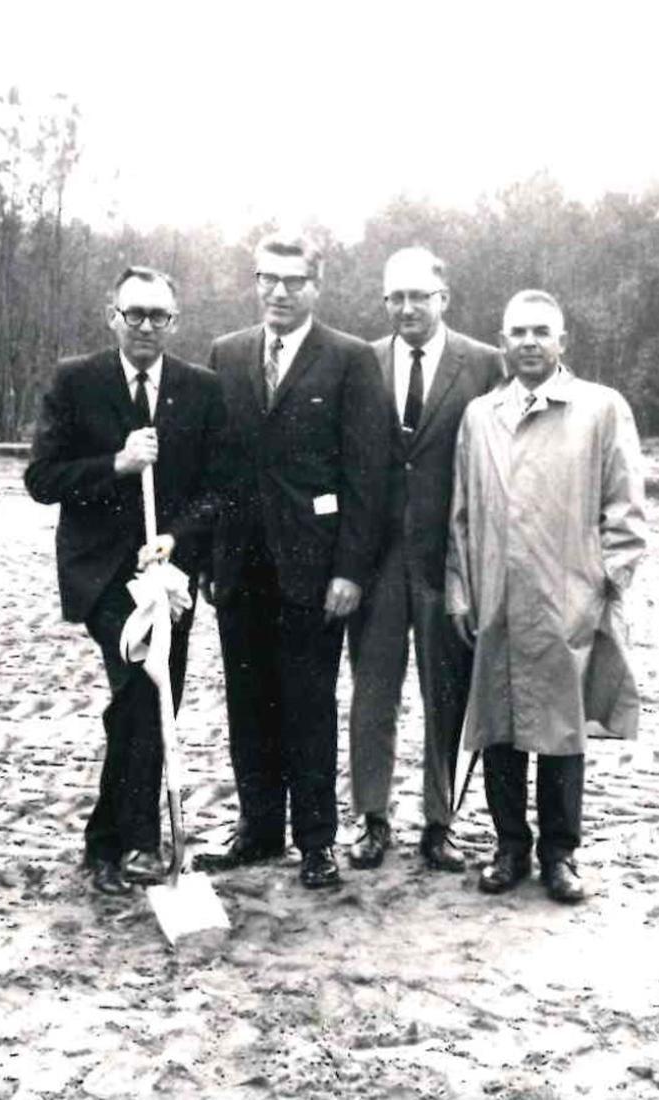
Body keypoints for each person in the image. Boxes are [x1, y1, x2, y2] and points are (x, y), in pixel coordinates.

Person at [25, 266, 225, 896]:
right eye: (133, 314)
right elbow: (43, 479)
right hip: (104, 576)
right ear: (112, 315)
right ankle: (137, 841)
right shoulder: (76, 381)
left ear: (175, 322)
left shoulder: (200, 390)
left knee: (152, 700)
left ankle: (105, 838)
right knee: (144, 686)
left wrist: (177, 540)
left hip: (170, 573)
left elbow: (217, 491)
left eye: (158, 316)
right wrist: (117, 463)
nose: (145, 326)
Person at [201, 231, 391, 890]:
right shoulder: (225, 355)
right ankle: (258, 830)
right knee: (248, 702)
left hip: (316, 573)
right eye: (267, 278)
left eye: (293, 281)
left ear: (317, 285)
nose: (279, 292)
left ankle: (315, 841)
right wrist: (204, 557)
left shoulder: (351, 359)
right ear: (255, 282)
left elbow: (368, 478)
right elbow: (214, 469)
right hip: (239, 567)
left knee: (309, 705)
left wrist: (350, 571)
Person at [446, 289, 647, 903]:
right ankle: (510, 847)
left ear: (563, 341)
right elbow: (460, 514)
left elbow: (626, 509)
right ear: (501, 341)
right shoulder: (481, 416)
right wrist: (461, 589)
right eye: (517, 333)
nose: (528, 342)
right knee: (498, 725)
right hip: (496, 596)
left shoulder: (600, 409)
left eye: (541, 332)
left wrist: (603, 583)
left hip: (568, 598)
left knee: (562, 731)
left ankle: (561, 854)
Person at [346, 247, 503, 872]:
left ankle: (441, 824)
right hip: (378, 561)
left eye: (419, 296)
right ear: (385, 302)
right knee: (372, 694)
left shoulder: (485, 365)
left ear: (444, 297)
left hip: (449, 563)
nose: (407, 308)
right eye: (395, 298)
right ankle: (372, 820)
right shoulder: (363, 362)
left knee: (448, 697)